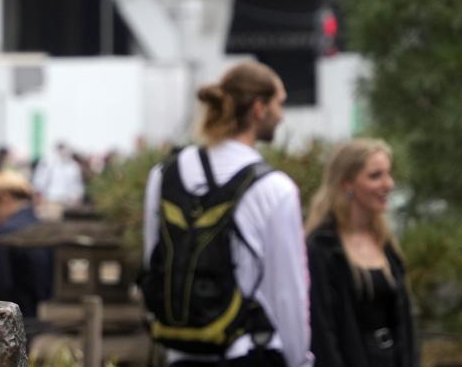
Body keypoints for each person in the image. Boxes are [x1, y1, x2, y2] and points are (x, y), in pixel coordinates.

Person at [142, 61, 311, 367]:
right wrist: (300, 360)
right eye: (279, 103)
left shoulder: (163, 175)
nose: (282, 115)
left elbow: (152, 259)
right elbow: (288, 293)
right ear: (259, 108)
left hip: (179, 353)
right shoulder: (274, 188)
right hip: (248, 351)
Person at [306, 139, 417, 367]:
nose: (388, 184)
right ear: (347, 184)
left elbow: (406, 324)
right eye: (375, 176)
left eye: (389, 174)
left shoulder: (386, 243)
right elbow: (323, 333)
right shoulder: (322, 248)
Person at [0, 170, 52, 322]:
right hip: (34, 310)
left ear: (5, 198)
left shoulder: (5, 232)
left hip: (10, 314)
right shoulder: (40, 226)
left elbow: (1, 283)